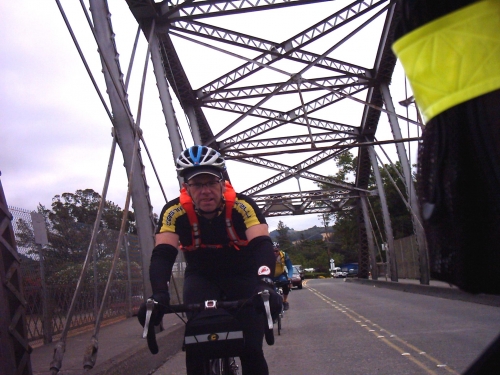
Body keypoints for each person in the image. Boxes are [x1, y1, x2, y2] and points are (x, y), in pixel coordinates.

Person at [138, 145, 282, 375]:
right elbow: (163, 253)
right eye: (197, 184)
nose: (205, 191)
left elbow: (261, 244)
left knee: (251, 351)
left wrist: (265, 282)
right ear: (187, 187)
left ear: (222, 183)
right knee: (196, 352)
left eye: (211, 182)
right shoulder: (174, 212)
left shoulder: (243, 206)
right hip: (202, 277)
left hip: (243, 275)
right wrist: (158, 294)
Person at [272, 243, 293, 311]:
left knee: (285, 284)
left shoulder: (284, 255)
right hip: (271, 275)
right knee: (271, 291)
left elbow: (290, 268)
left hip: (281, 274)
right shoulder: (266, 255)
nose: (274, 253)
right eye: (272, 251)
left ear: (279, 250)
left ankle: (285, 301)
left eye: (276, 251)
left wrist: (289, 277)